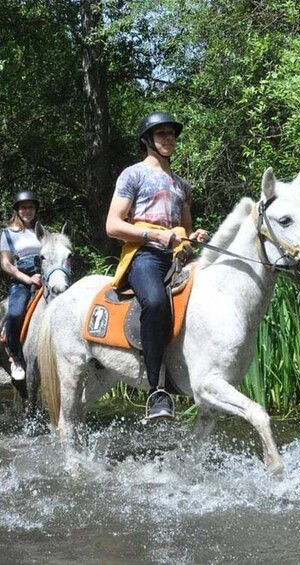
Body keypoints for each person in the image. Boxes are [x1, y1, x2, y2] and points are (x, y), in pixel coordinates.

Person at [105, 111, 209, 419]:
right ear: (147, 140)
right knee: (155, 301)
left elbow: (186, 229)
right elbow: (112, 225)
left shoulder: (182, 185)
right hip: (144, 254)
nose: (169, 139)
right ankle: (156, 391)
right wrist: (153, 234)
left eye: (172, 134)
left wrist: (195, 234)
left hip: (179, 256)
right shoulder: (132, 174)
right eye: (162, 134)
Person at [0, 190, 44, 381]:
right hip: (22, 280)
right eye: (23, 207)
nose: (27, 210)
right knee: (16, 312)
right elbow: (6, 263)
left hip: (45, 276)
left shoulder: (42, 231)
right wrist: (27, 279)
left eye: (31, 207)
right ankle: (15, 356)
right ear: (17, 210)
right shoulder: (8, 233)